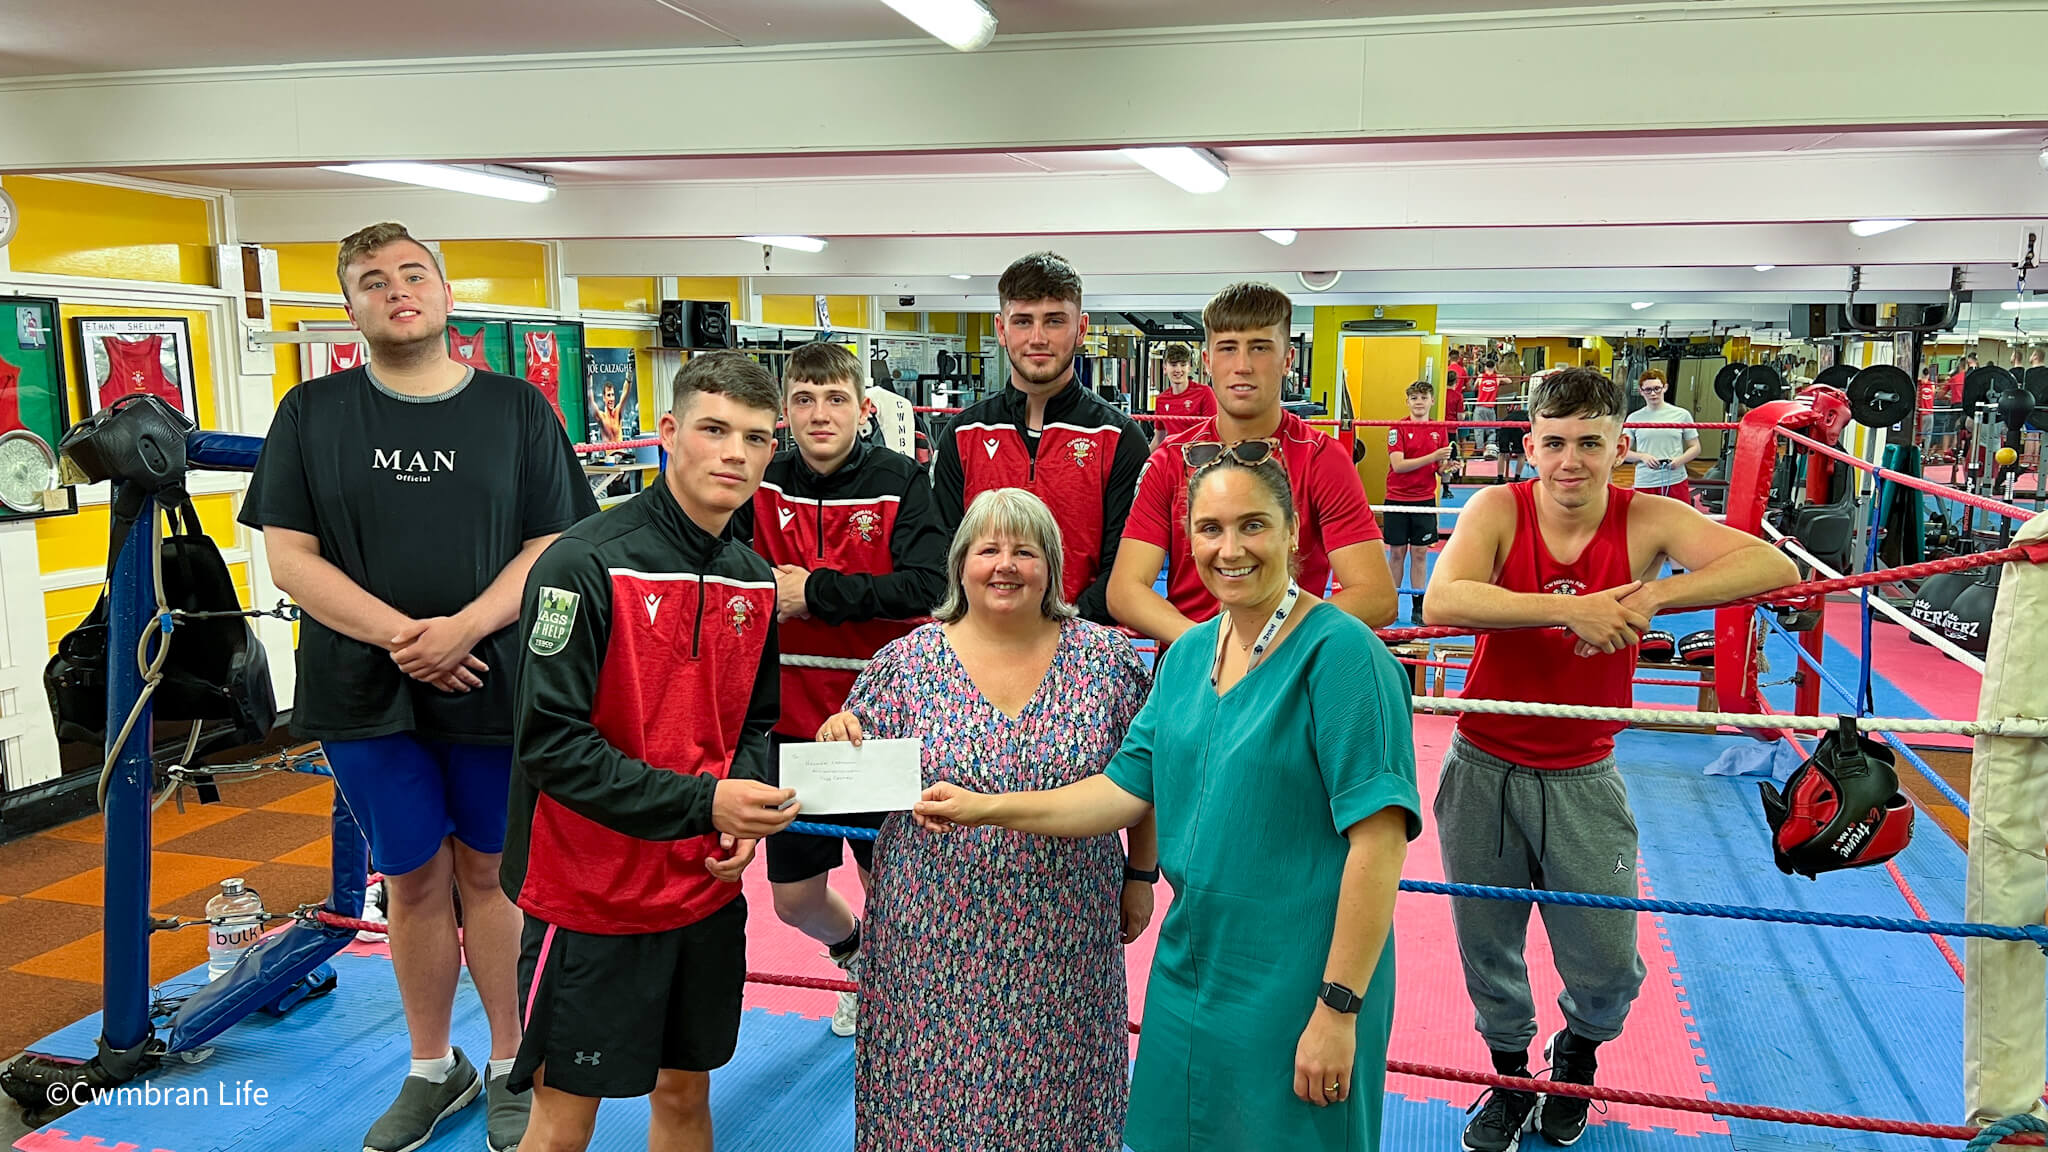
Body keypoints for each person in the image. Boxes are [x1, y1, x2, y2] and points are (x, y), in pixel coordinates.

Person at [912, 453, 1421, 1152]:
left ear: (1294, 533)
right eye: (1210, 528)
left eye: (1253, 526)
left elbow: (1379, 843)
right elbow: (1119, 792)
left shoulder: (1344, 657)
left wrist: (1338, 1008)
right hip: (1190, 970)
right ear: (1187, 538)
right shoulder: (1186, 658)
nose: (1230, 549)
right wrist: (984, 807)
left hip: (1303, 975)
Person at [239, 222, 596, 1152]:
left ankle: (517, 1061)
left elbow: (552, 543)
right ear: (350, 307)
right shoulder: (311, 414)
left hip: (493, 675)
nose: (396, 290)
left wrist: (467, 628)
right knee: (409, 878)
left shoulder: (518, 409)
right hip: (364, 688)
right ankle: (433, 1067)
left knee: (491, 869)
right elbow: (288, 557)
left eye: (412, 274)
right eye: (371, 280)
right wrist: (406, 639)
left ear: (443, 293)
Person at [1420, 367, 1798, 1152]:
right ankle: (1508, 1080)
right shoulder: (1498, 507)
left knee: (1606, 961)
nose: (1570, 461)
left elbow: (1775, 569)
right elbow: (1444, 600)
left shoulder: (1647, 519)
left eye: (1590, 443)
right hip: (1482, 762)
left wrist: (1651, 596)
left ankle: (1579, 1056)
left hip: (1585, 773)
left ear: (1619, 446)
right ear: (1529, 445)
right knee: (1488, 944)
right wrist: (1572, 607)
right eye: (1554, 442)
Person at [504, 352, 803, 1152]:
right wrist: (705, 804)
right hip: (590, 896)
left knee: (684, 1096)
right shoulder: (581, 562)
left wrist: (738, 805)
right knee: (563, 1121)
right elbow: (552, 747)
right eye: (714, 429)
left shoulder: (752, 578)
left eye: (755, 437)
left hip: (701, 891)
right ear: (669, 434)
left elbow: (753, 722)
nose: (734, 453)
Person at [815, 488, 1153, 1152]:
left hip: (1065, 932)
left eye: (1025, 551)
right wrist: (839, 730)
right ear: (960, 564)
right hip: (932, 933)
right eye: (987, 549)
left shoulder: (1107, 662)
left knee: (1064, 1093)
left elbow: (1143, 781)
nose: (1005, 565)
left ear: (1051, 567)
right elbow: (855, 758)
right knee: (931, 1096)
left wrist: (1140, 875)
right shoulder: (905, 664)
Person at [731, 340, 946, 1040]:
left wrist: (814, 591)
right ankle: (857, 957)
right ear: (786, 411)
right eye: (804, 398)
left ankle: (904, 991)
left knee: (898, 882)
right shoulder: (758, 482)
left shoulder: (902, 481)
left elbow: (929, 583)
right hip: (789, 723)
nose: (820, 413)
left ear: (862, 407)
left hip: (880, 722)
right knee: (793, 897)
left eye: (835, 398)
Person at [1108, 281, 1396, 644]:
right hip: (1190, 671)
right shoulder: (1169, 460)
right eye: (1228, 349)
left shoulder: (1321, 458)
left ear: (1287, 359)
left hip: (1283, 673)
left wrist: (1269, 643)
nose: (1242, 366)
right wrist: (1204, 649)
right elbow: (1124, 589)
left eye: (1259, 348)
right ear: (1208, 361)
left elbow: (1377, 595)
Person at [931, 251, 1148, 625]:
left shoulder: (1119, 437)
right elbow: (945, 553)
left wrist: (1058, 628)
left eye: (1054, 321)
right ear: (1001, 329)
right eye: (1023, 321)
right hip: (979, 644)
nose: (1037, 338)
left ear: (1080, 329)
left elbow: (1122, 567)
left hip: (1081, 647)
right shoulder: (963, 434)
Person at [1385, 380, 1453, 623]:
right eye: (1414, 398)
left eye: (1423, 398)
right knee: (1397, 553)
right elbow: (1399, 465)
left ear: (1432, 401)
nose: (1419, 402)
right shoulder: (1397, 428)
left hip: (1424, 498)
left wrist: (1448, 468)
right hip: (1397, 498)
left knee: (1421, 553)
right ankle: (1390, 605)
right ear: (1408, 402)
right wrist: (1434, 456)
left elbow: (1439, 469)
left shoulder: (1440, 429)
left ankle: (1418, 605)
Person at [1622, 370, 1700, 507]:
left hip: (1676, 479)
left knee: (1680, 522)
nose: (1653, 393)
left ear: (1665, 387)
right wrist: (1642, 456)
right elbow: (1623, 452)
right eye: (1648, 390)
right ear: (1641, 391)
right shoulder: (1633, 418)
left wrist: (1679, 461)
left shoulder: (1682, 415)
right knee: (1645, 524)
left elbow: (1696, 447)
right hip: (1645, 480)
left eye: (1657, 388)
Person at [1151, 342, 1215, 446]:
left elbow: (1214, 431)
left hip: (1199, 456)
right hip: (1173, 455)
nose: (1178, 370)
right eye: (1173, 365)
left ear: (1189, 367)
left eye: (1183, 365)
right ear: (1165, 368)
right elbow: (1159, 438)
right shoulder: (1161, 400)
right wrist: (1144, 461)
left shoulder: (1205, 393)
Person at [1473, 358, 1503, 464]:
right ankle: (1490, 450)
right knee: (1491, 430)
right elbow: (1510, 380)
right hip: (1490, 407)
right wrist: (1498, 374)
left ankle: (1480, 452)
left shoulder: (1481, 376)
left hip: (1480, 406)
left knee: (1478, 430)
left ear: (1485, 367)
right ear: (1494, 367)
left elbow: (1474, 387)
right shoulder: (1497, 377)